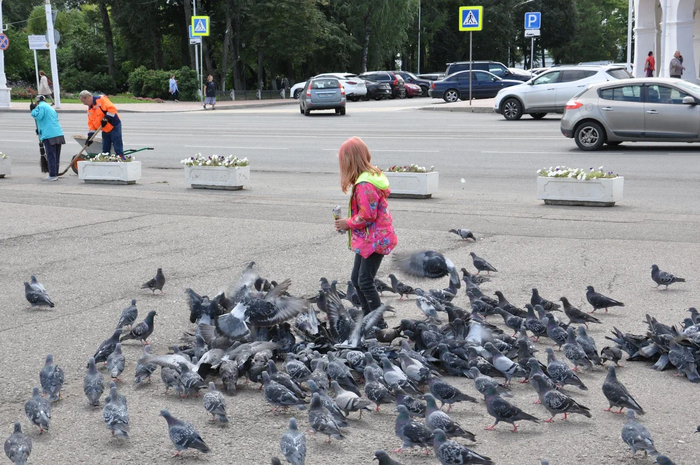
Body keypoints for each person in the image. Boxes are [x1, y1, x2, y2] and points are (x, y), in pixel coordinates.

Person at [334, 137, 398, 317]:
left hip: (374, 240)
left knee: (365, 281)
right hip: (369, 239)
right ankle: (367, 317)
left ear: (349, 162)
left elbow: (367, 216)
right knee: (357, 279)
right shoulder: (369, 177)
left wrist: (348, 223)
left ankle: (377, 323)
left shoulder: (365, 185)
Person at [78, 90, 124, 158]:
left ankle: (121, 160)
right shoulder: (89, 110)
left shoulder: (101, 99)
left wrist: (106, 118)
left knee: (117, 147)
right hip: (104, 129)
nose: (84, 104)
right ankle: (106, 162)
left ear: (88, 97)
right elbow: (91, 124)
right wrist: (90, 137)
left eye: (83, 101)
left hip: (114, 126)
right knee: (105, 150)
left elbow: (112, 109)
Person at [30, 95, 65, 181]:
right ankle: (55, 172)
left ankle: (52, 175)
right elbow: (46, 120)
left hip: (49, 135)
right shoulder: (50, 108)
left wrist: (32, 110)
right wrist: (39, 129)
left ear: (37, 102)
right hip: (58, 133)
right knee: (56, 155)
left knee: (51, 156)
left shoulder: (41, 107)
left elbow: (37, 116)